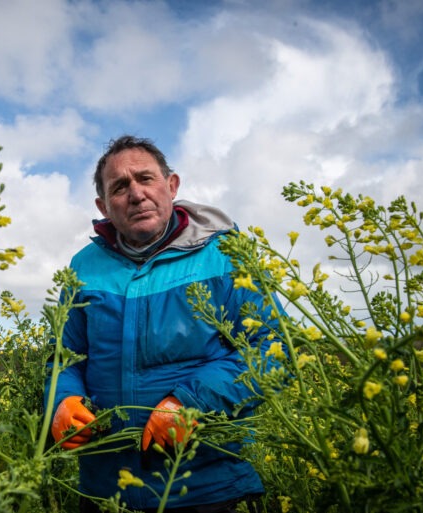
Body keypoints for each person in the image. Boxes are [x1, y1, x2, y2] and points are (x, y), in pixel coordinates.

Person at [45, 135, 285, 513]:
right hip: (105, 493)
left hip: (209, 490)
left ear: (171, 186)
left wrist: (190, 402)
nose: (136, 194)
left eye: (146, 179)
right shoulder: (83, 267)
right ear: (103, 206)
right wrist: (61, 403)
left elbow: (275, 348)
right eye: (120, 187)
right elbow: (66, 358)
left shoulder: (226, 254)